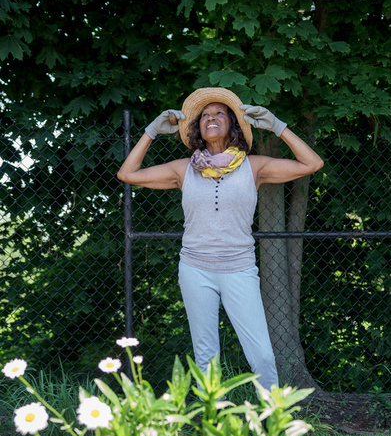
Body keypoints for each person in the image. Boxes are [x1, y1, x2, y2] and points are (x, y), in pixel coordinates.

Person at [117, 87, 324, 391]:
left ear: (233, 124)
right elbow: (127, 173)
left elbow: (312, 164)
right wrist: (150, 132)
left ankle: (271, 426)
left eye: (219, 113)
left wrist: (277, 126)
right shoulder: (182, 170)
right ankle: (210, 425)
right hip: (195, 269)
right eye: (205, 115)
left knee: (263, 357)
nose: (211, 118)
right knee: (206, 357)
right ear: (197, 127)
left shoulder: (255, 167)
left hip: (239, 270)